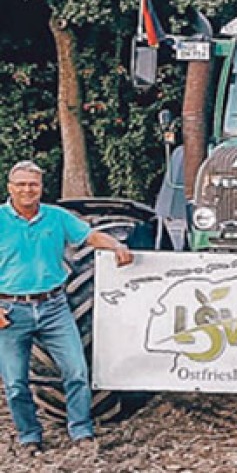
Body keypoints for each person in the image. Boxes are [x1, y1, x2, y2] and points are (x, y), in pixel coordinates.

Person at [0, 160, 134, 456]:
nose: (27, 190)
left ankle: (81, 431)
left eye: (33, 184)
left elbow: (89, 237)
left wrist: (116, 246)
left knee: (76, 371)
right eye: (21, 184)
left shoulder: (56, 217)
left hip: (53, 308)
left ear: (41, 188)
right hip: (10, 311)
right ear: (10, 187)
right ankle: (29, 436)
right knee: (15, 383)